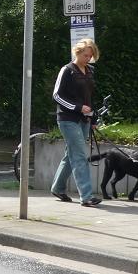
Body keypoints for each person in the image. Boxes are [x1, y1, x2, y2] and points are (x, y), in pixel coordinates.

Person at [50, 38, 103, 207]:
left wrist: (93, 118)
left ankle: (58, 187)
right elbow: (57, 96)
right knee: (80, 155)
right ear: (77, 52)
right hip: (67, 119)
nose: (88, 58)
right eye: (86, 55)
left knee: (71, 154)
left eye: (91, 56)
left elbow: (90, 96)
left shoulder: (90, 71)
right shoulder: (67, 70)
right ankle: (86, 196)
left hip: (84, 120)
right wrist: (78, 108)